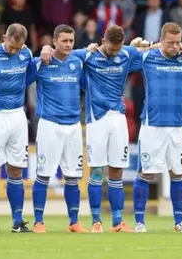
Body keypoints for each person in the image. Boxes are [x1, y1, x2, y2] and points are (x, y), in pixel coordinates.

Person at [40, 25, 141, 233]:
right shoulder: (87, 55)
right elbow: (60, 53)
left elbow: (149, 52)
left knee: (116, 171)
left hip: (119, 118)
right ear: (103, 41)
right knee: (96, 170)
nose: (115, 53)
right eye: (112, 49)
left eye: (118, 49)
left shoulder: (127, 53)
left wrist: (144, 45)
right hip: (96, 119)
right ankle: (96, 221)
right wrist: (44, 48)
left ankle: (117, 222)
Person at [131, 22, 182, 233]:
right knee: (146, 173)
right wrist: (145, 46)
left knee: (178, 173)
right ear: (161, 40)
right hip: (152, 125)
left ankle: (179, 223)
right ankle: (139, 223)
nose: (175, 46)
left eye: (178, 42)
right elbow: (125, 55)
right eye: (170, 42)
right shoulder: (147, 57)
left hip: (178, 127)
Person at [0, 23, 35, 233]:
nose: (14, 51)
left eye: (18, 48)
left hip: (17, 115)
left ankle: (17, 221)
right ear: (4, 37)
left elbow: (30, 76)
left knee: (16, 169)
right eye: (11, 47)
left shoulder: (26, 53)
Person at [30, 24, 86, 233]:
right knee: (44, 174)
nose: (69, 45)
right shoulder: (41, 63)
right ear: (54, 41)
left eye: (71, 41)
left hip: (73, 125)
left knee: (72, 176)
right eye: (64, 41)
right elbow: (20, 82)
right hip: (49, 124)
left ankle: (74, 222)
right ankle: (38, 222)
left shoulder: (77, 62)